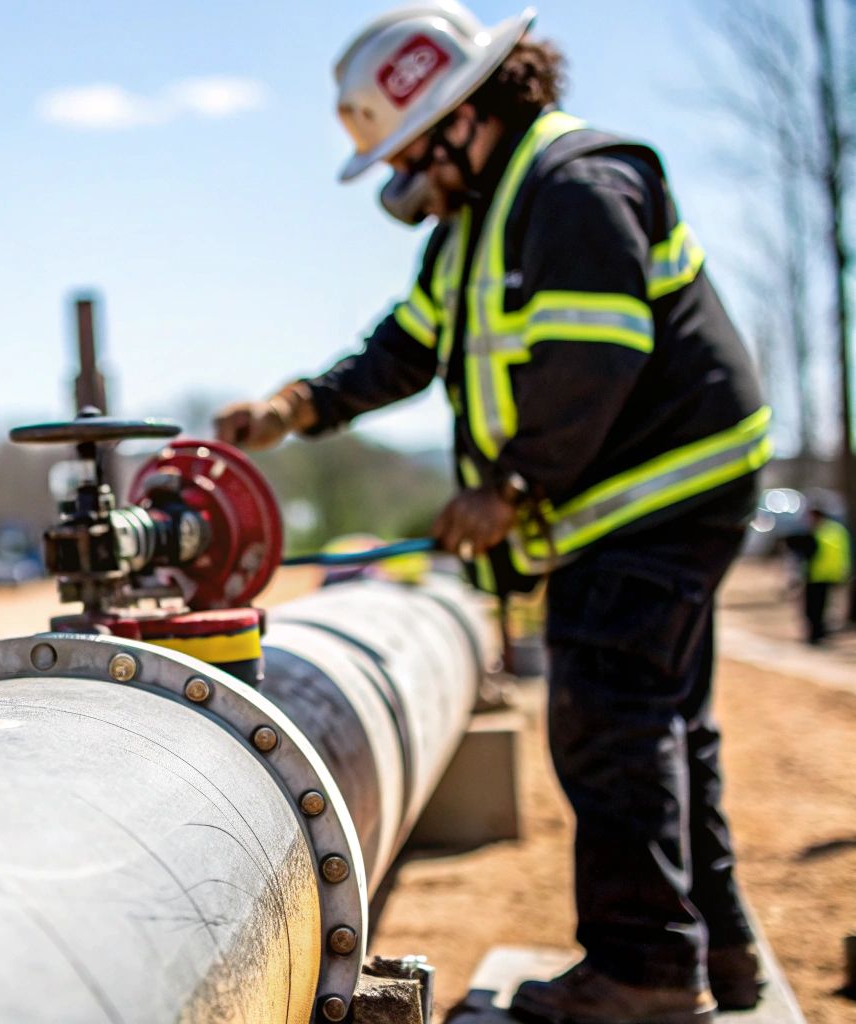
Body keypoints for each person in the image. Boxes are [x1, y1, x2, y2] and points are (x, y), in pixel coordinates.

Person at [213, 5, 772, 1021]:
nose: (403, 182)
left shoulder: (573, 187)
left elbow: (591, 357)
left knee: (608, 718)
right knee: (662, 723)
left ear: (462, 116)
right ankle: (717, 953)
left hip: (661, 493)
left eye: (407, 154)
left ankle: (645, 973)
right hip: (644, 498)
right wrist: (300, 405)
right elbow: (405, 346)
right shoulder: (477, 225)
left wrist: (508, 487)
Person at [789, 505, 851, 644]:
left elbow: (811, 551)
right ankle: (821, 633)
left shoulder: (820, 531)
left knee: (814, 608)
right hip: (832, 574)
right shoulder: (837, 530)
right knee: (824, 606)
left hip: (817, 575)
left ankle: (816, 634)